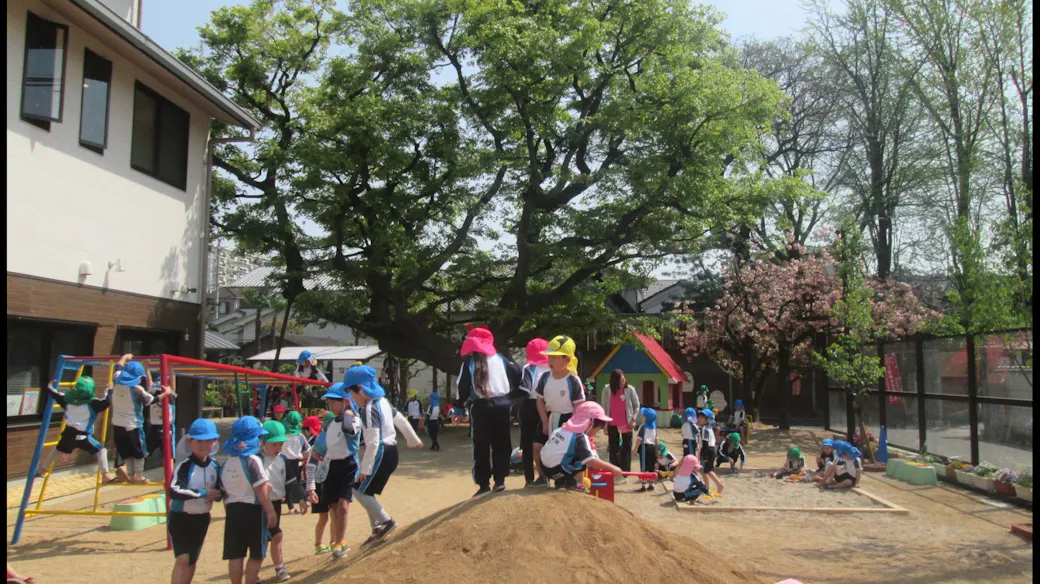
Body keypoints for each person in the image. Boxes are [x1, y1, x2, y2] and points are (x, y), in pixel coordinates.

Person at [345, 365, 410, 546]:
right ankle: (377, 528)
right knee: (365, 491)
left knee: (358, 489)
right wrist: (412, 439)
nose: (352, 399)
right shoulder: (383, 401)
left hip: (380, 452)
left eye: (351, 393)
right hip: (391, 451)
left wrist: (365, 469)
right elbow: (401, 421)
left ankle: (386, 521)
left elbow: (373, 442)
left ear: (360, 389)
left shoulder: (369, 408)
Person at [457, 327, 521, 497]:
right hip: (502, 405)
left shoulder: (468, 363)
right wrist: (512, 395)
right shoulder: (501, 359)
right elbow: (518, 374)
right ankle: (500, 480)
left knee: (481, 444)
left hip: (480, 405)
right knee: (502, 442)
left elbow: (462, 387)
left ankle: (483, 484)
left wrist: (458, 407)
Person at [220, 416, 278, 584]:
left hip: (233, 511)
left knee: (236, 555)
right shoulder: (253, 460)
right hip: (253, 510)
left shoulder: (226, 463)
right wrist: (270, 511)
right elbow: (261, 488)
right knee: (257, 553)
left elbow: (224, 493)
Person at [168, 418, 222, 584]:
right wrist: (202, 493)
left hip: (202, 518)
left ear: (215, 442)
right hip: (180, 517)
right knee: (183, 559)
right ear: (190, 442)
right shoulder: (184, 466)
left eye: (208, 441)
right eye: (199, 441)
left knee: (192, 560)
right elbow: (174, 490)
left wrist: (217, 495)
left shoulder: (215, 466)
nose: (204, 445)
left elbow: (220, 490)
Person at [38, 376, 115, 483]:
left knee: (57, 449)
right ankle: (105, 474)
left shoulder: (67, 401)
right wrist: (109, 389)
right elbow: (107, 402)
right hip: (83, 436)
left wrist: (50, 386)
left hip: (68, 434)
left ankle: (43, 469)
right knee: (102, 451)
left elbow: (55, 395)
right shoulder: (93, 404)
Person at [111, 354, 173, 483]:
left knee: (126, 449)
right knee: (140, 450)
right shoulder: (137, 388)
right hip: (133, 424)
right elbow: (151, 400)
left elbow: (117, 367)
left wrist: (124, 358)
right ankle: (138, 475)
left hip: (117, 424)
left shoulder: (117, 379)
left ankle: (130, 473)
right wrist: (166, 393)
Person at [317, 382, 362, 558]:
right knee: (334, 507)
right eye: (328, 402)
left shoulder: (354, 419)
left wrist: (349, 413)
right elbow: (321, 445)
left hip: (348, 465)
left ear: (345, 401)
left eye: (333, 401)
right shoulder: (330, 423)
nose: (330, 405)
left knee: (343, 506)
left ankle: (341, 542)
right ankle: (336, 541)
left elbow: (349, 429)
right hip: (332, 466)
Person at [539, 402, 623, 489]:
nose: (597, 431)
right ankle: (570, 482)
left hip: (544, 467)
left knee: (578, 453)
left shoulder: (562, 428)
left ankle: (562, 481)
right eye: (598, 429)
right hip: (556, 470)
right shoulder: (579, 437)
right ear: (590, 424)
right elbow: (591, 461)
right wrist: (613, 468)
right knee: (585, 458)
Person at [259, 420, 293, 582]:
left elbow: (291, 481)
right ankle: (270, 569)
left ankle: (278, 568)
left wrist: (301, 499)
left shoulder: (283, 460)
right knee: (271, 536)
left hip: (277, 503)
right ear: (263, 443)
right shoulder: (256, 460)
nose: (278, 448)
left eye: (280, 444)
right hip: (261, 505)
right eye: (274, 445)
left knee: (272, 537)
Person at [514, 338, 550, 488]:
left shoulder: (528, 368)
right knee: (547, 442)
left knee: (527, 444)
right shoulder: (552, 366)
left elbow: (525, 389)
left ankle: (529, 478)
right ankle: (546, 476)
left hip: (530, 406)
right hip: (549, 407)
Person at [598, 369, 640, 484]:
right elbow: (604, 407)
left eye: (623, 379)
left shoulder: (630, 389)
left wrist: (633, 419)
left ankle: (625, 473)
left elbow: (637, 406)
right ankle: (615, 471)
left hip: (626, 423)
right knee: (613, 448)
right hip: (612, 423)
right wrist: (605, 424)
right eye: (620, 380)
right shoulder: (607, 390)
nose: (623, 382)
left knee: (626, 448)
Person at [301, 416, 334, 555]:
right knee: (326, 516)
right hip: (320, 484)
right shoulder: (317, 444)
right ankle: (319, 544)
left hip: (330, 482)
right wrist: (311, 488)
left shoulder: (337, 445)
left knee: (334, 515)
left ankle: (334, 541)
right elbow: (310, 466)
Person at [280, 411, 311, 515]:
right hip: (297, 462)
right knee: (297, 483)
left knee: (287, 486)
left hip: (284, 462)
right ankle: (305, 499)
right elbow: (307, 450)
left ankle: (291, 507)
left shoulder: (282, 435)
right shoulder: (300, 436)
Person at [145, 372, 176, 466]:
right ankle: (168, 476)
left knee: (145, 451)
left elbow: (149, 381)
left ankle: (134, 472)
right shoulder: (170, 395)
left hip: (153, 427)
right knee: (168, 455)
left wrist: (146, 367)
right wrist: (171, 368)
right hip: (167, 428)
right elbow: (173, 381)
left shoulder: (152, 393)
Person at [695, 409, 725, 494]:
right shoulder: (707, 428)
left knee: (707, 470)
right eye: (699, 417)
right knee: (703, 471)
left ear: (707, 420)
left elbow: (705, 443)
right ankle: (706, 488)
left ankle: (719, 485)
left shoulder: (704, 429)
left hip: (708, 450)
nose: (699, 419)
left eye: (701, 418)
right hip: (708, 450)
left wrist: (705, 456)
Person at [632, 407, 659, 492]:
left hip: (644, 447)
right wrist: (657, 449)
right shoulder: (654, 427)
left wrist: (634, 449)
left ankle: (643, 485)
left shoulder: (643, 427)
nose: (642, 416)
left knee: (643, 466)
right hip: (652, 448)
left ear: (646, 418)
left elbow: (639, 439)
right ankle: (651, 483)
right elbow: (656, 439)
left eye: (643, 416)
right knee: (651, 466)